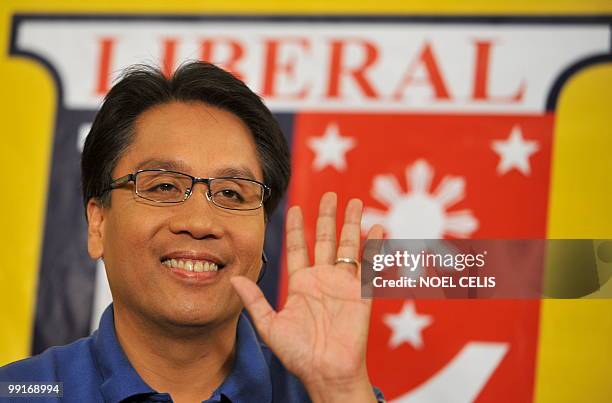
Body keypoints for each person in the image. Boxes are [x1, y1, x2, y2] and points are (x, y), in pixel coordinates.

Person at [0, 61, 385, 403]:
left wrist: (338, 390)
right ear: (98, 224)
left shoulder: (330, 392)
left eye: (232, 193)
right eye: (163, 186)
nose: (200, 223)